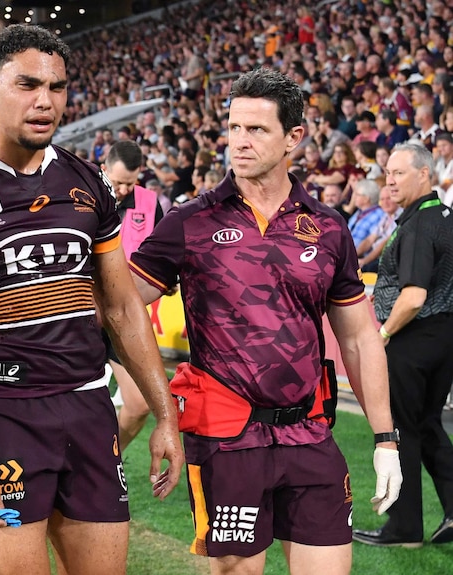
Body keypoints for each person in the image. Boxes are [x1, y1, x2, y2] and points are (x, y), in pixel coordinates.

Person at [0, 25, 183, 575]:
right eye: (27, 84)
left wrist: (166, 414)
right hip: (4, 415)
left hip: (87, 408)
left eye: (57, 88)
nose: (44, 101)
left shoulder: (90, 182)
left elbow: (124, 309)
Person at [129, 67, 401, 574]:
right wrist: (162, 409)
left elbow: (361, 338)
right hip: (227, 442)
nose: (240, 141)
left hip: (311, 435)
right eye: (234, 128)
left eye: (256, 130)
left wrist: (385, 440)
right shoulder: (191, 222)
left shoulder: (326, 227)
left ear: (294, 137)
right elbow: (120, 305)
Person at [354, 142, 453, 548]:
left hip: (415, 338)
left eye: (398, 174)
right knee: (429, 425)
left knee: (401, 430)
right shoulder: (443, 217)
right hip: (442, 336)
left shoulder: (419, 224)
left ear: (425, 175)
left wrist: (382, 334)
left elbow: (412, 296)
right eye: (387, 174)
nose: (389, 181)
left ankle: (403, 528)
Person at [101, 140, 165, 452]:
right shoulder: (80, 197)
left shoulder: (150, 205)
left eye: (130, 182)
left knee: (139, 405)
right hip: (79, 315)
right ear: (103, 169)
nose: (124, 189)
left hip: (123, 317)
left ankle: (108, 460)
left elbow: (164, 260)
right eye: (117, 182)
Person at [355, 185, 401, 272]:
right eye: (382, 199)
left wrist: (364, 261)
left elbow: (384, 245)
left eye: (388, 198)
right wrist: (353, 256)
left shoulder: (401, 216)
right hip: (373, 258)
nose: (385, 202)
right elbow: (369, 240)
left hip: (386, 261)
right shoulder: (385, 216)